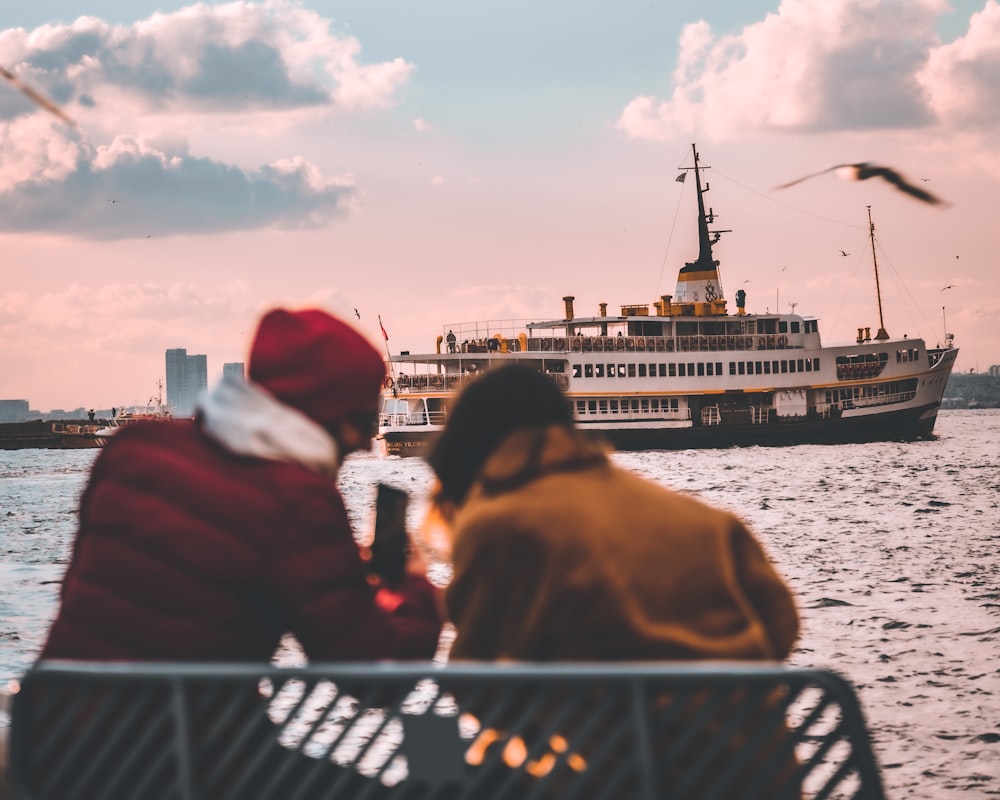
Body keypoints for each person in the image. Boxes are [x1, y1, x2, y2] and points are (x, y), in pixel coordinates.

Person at [425, 365, 799, 795]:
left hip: (621, 779)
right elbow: (781, 625)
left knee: (428, 743)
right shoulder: (698, 518)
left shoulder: (499, 522)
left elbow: (481, 693)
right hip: (759, 775)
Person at [41, 307, 442, 663]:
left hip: (51, 734)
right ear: (331, 415)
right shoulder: (299, 503)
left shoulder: (132, 449)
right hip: (195, 740)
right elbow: (373, 669)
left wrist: (338, 565)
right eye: (366, 419)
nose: (366, 441)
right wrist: (412, 585)